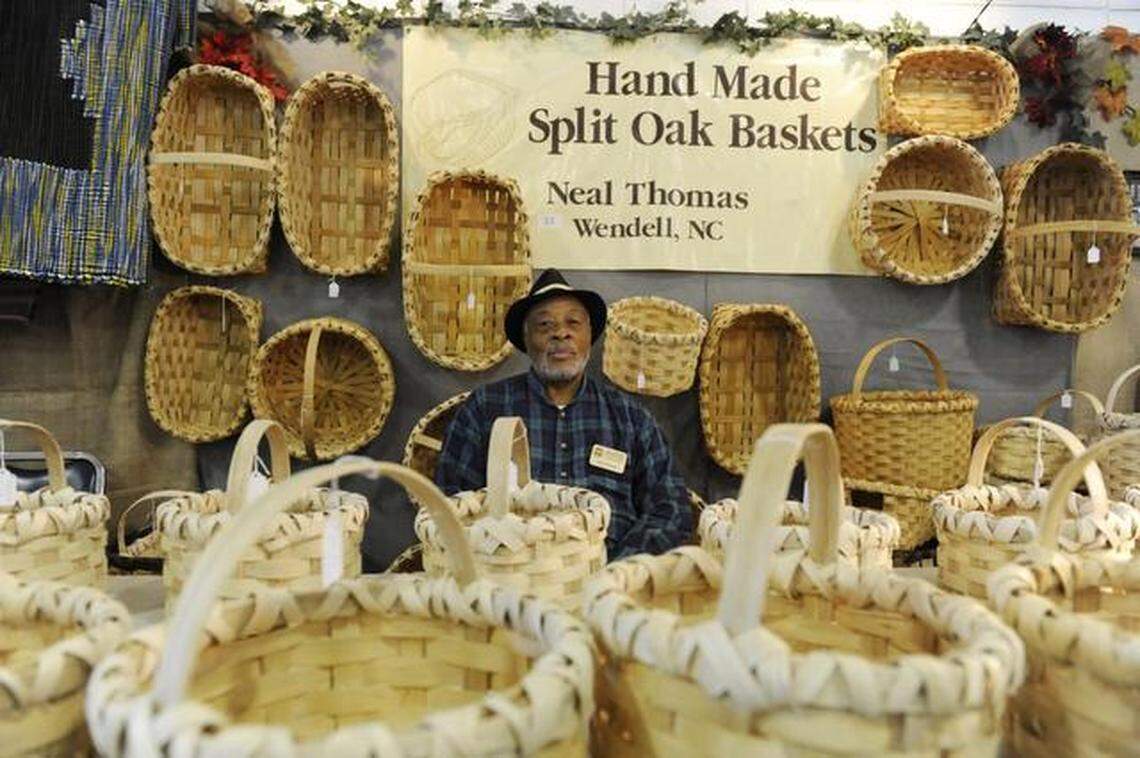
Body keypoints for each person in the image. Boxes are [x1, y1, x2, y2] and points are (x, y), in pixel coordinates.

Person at [435, 268, 692, 558]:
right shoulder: (485, 408)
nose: (561, 332)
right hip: (511, 582)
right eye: (545, 324)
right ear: (526, 338)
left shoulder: (631, 418)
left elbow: (669, 510)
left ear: (590, 335)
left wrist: (618, 570)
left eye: (573, 322)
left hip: (611, 587)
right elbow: (449, 502)